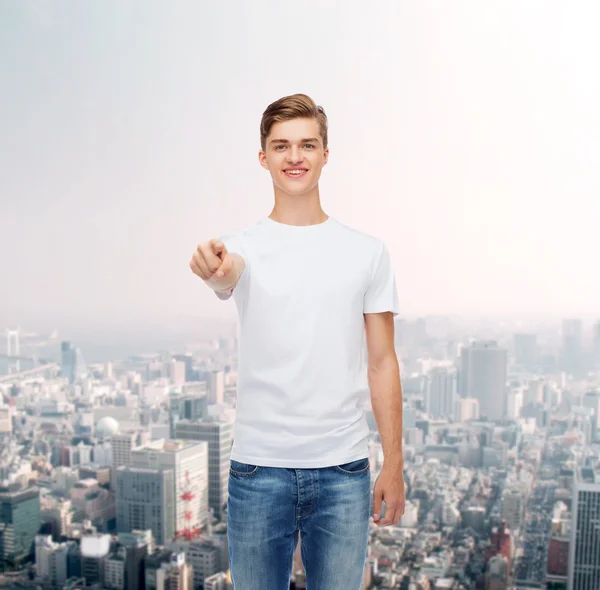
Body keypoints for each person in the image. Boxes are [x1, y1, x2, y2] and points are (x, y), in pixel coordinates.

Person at [189, 93, 405, 590]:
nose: (295, 157)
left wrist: (394, 463)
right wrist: (213, 267)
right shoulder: (240, 247)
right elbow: (225, 274)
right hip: (257, 471)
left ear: (326, 154)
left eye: (307, 144)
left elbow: (382, 362)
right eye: (281, 146)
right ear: (263, 157)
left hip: (343, 471)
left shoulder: (368, 253)